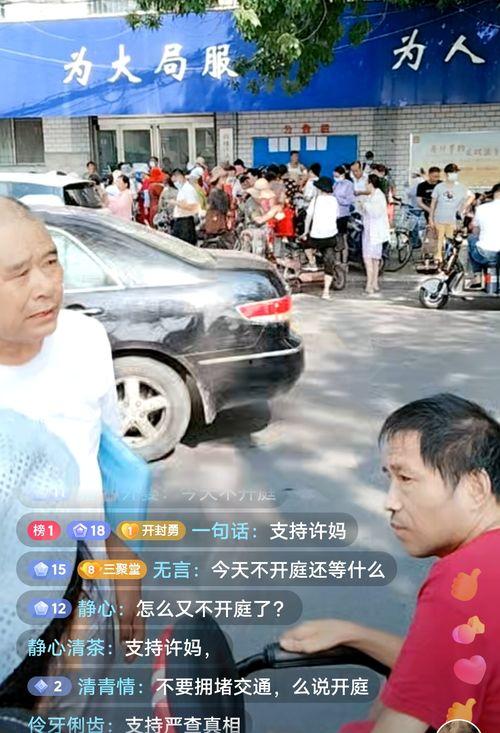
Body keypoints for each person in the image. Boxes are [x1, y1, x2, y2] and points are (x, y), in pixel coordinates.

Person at [281, 393, 500, 733]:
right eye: (389, 479)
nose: (390, 501)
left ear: (475, 487)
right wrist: (357, 635)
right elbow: (444, 663)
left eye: (406, 479)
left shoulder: (463, 582)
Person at [0, 198, 144, 714]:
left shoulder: (84, 340)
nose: (45, 286)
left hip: (82, 598)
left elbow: (110, 462)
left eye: (51, 261)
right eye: (18, 274)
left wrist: (123, 570)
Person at [301, 176, 340, 301]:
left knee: (305, 243)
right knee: (329, 263)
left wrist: (305, 231)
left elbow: (308, 217)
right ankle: (326, 292)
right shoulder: (334, 200)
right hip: (330, 236)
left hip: (316, 237)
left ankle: (312, 262)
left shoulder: (316, 200)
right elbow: (337, 216)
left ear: (320, 189)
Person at [430, 163, 475, 263]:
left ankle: (449, 263)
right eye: (452, 172)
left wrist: (464, 207)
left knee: (451, 243)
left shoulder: (461, 187)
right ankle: (438, 261)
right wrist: (430, 219)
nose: (454, 174)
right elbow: (433, 204)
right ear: (446, 174)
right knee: (439, 243)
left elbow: (472, 196)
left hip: (453, 220)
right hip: (439, 219)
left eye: (456, 172)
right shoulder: (439, 187)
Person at [359, 174, 390, 294]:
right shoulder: (373, 195)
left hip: (374, 232)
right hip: (370, 231)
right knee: (374, 260)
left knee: (369, 259)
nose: (365, 185)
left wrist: (364, 205)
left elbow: (375, 212)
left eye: (366, 183)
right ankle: (374, 283)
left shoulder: (378, 196)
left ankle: (370, 285)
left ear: (370, 184)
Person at [467, 182, 500, 284]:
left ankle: (477, 275)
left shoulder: (481, 208)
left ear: (494, 193)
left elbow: (474, 229)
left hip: (485, 254)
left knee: (472, 238)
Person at [171, 169, 200, 244]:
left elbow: (193, 207)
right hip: (179, 221)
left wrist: (177, 203)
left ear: (180, 177)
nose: (175, 183)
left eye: (175, 181)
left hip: (186, 222)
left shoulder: (188, 189)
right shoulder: (182, 189)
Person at [333, 165, 355, 251]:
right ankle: (338, 258)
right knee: (337, 239)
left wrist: (338, 199)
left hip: (343, 214)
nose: (335, 178)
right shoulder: (335, 184)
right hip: (336, 214)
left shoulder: (348, 184)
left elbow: (350, 200)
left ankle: (345, 258)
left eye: (337, 176)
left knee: (343, 238)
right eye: (334, 176)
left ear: (342, 175)